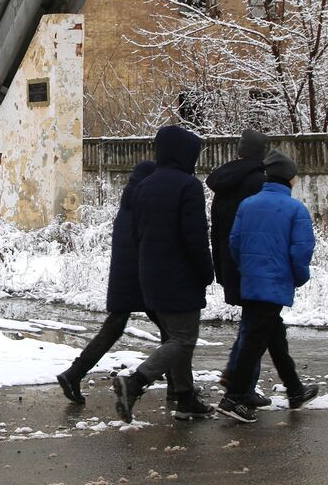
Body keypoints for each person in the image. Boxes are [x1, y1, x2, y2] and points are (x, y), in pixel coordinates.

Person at [113, 125, 215, 422]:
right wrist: (206, 271)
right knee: (183, 340)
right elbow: (195, 236)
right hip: (180, 276)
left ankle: (184, 397)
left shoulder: (145, 185)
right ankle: (133, 384)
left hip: (149, 276)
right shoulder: (188, 186)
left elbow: (135, 232)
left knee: (173, 337)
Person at [217, 149, 321, 423]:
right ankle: (234, 399)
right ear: (288, 178)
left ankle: (295, 391)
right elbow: (302, 251)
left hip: (251, 280)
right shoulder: (294, 209)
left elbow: (235, 243)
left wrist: (247, 269)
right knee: (253, 342)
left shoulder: (248, 204)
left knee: (275, 336)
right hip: (275, 282)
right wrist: (297, 277)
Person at [56, 160, 156, 405]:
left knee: (116, 327)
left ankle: (74, 373)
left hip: (124, 278)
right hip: (139, 278)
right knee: (173, 333)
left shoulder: (128, 203)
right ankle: (179, 388)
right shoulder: (143, 205)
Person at [205, 129, 270, 406]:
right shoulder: (258, 182)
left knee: (255, 323)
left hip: (229, 262)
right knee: (257, 325)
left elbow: (216, 227)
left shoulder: (223, 182)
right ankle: (241, 388)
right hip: (253, 263)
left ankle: (237, 378)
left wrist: (220, 265)